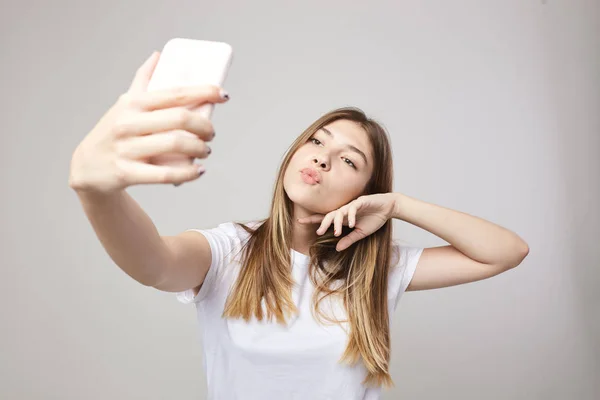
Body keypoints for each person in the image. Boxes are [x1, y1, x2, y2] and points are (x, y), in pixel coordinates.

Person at [69, 52, 530, 400]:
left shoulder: (376, 268)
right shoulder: (230, 250)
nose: (322, 158)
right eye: (316, 140)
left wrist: (400, 205)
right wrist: (97, 192)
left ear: (365, 190)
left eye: (348, 160)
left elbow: (506, 251)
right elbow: (155, 263)